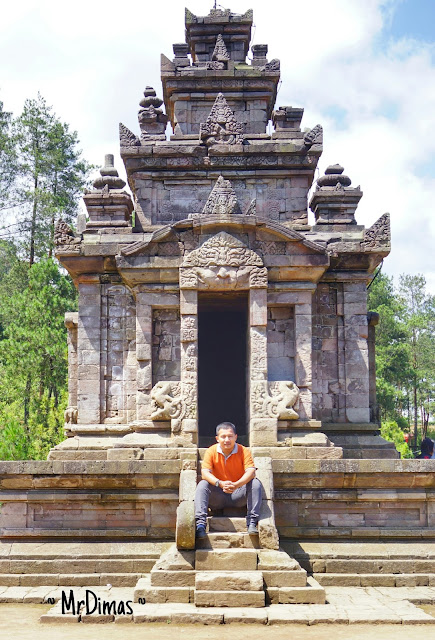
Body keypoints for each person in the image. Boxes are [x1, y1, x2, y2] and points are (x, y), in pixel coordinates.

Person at [195, 421, 262, 539]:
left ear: (235, 437)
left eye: (230, 436)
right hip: (218, 496)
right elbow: (205, 473)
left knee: (255, 483)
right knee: (202, 484)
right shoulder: (211, 451)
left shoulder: (243, 451)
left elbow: (251, 472)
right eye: (223, 436)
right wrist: (219, 483)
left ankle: (252, 522)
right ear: (217, 438)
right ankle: (200, 524)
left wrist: (237, 484)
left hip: (238, 495)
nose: (227, 440)